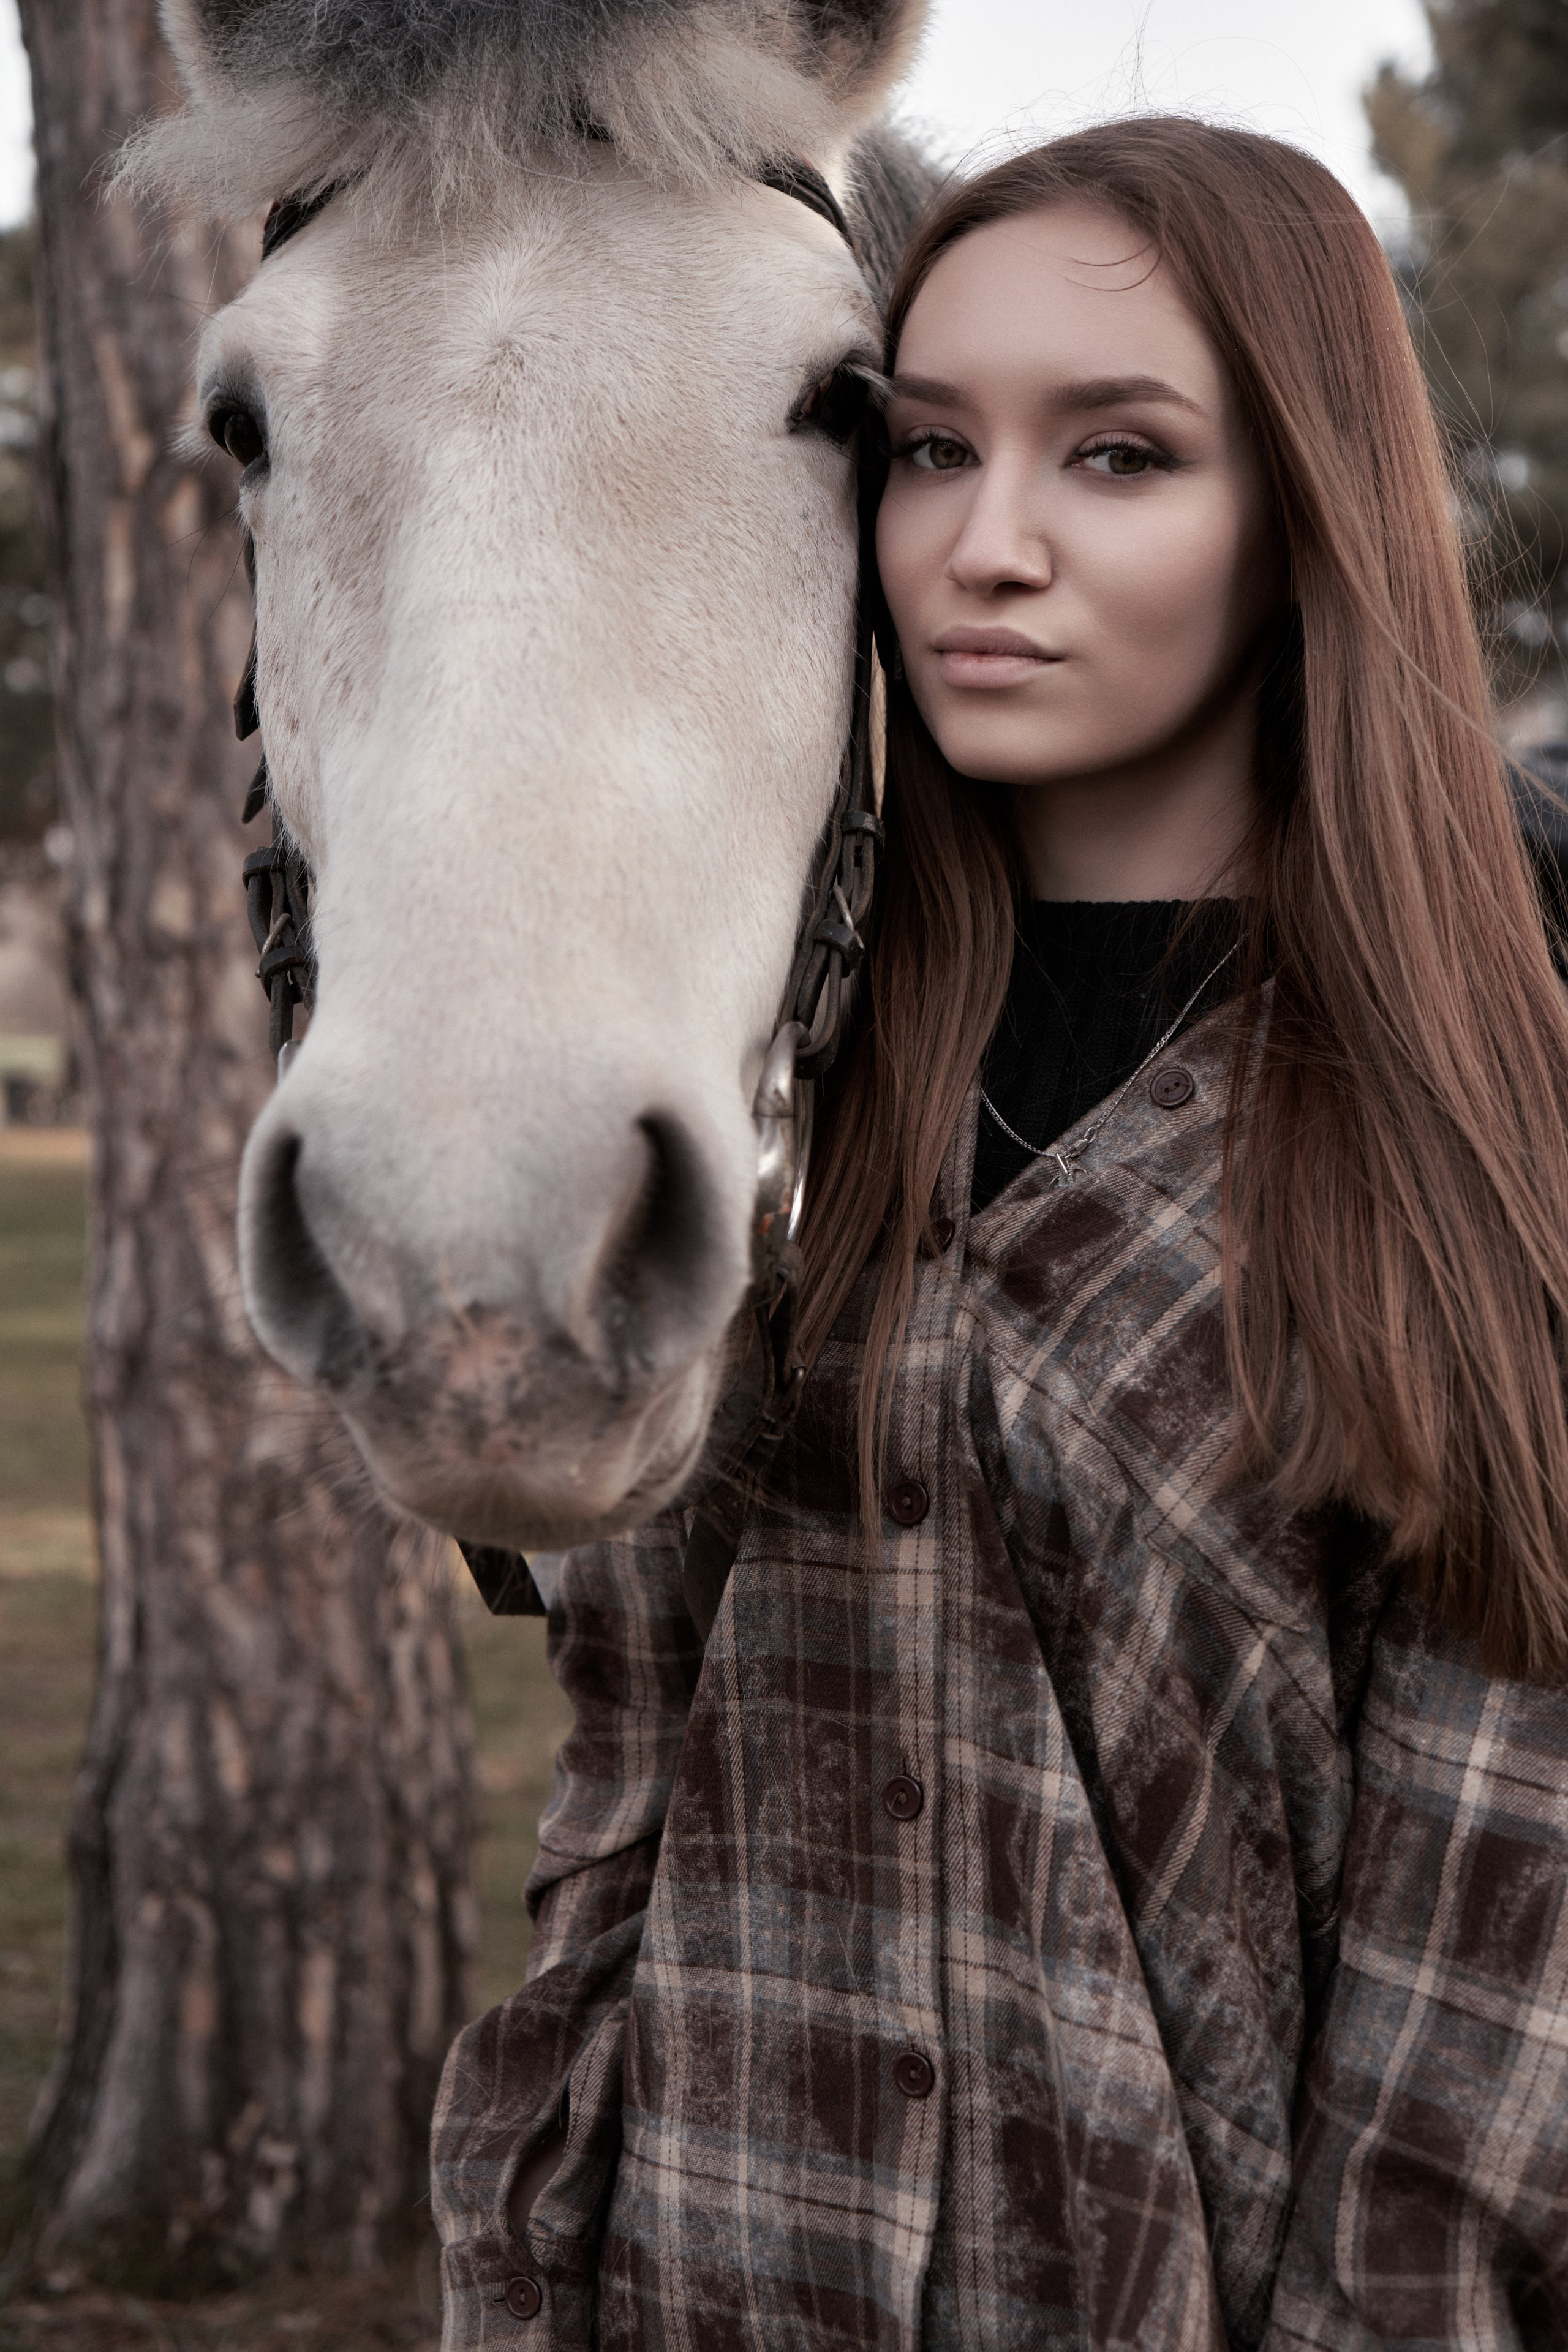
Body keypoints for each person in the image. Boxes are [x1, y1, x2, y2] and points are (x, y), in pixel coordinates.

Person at [432, 119, 1568, 2349]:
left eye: (1119, 457)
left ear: (1302, 517)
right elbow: (617, 1813)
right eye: (929, 446)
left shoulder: (1471, 1144)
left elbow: (1492, 2005)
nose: (988, 542)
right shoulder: (773, 1106)